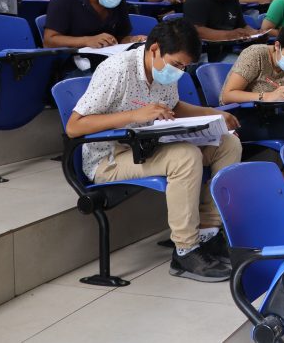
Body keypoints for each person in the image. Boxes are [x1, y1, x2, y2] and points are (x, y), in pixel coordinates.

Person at [66, 19, 241, 282]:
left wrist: (214, 114)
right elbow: (74, 127)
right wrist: (133, 115)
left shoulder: (163, 69)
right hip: (109, 158)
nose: (179, 72)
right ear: (155, 49)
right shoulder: (116, 69)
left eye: (184, 67)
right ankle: (185, 250)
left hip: (149, 146)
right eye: (177, 64)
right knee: (185, 157)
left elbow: (173, 106)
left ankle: (207, 232)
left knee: (228, 143)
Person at [183, 0, 255, 61]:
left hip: (228, 51)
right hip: (203, 54)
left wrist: (256, 34)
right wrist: (230, 34)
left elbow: (242, 26)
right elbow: (196, 31)